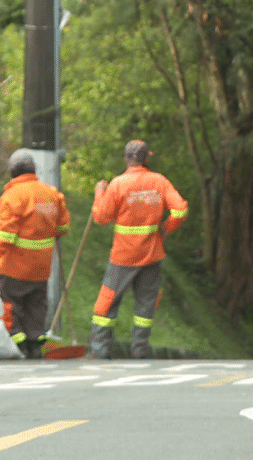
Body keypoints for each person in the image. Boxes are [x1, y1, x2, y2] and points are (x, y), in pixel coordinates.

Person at [89, 140, 189, 359]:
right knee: (146, 304)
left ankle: (100, 348)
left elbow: (101, 217)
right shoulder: (159, 181)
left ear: (126, 159)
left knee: (108, 300)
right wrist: (165, 229)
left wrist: (99, 193)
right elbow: (180, 210)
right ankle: (140, 349)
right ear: (146, 159)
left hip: (123, 255)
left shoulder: (118, 184)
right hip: (151, 254)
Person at [0, 149, 71, 359]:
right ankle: (35, 343)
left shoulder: (13, 195)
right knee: (36, 305)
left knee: (11, 304)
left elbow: (6, 233)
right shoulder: (52, 194)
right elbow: (63, 227)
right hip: (41, 266)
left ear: (12, 171)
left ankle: (18, 344)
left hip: (15, 265)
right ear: (33, 170)